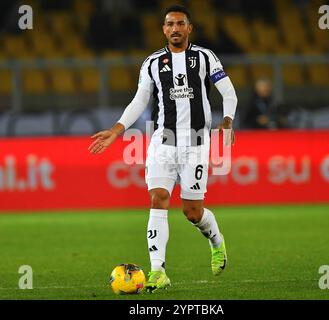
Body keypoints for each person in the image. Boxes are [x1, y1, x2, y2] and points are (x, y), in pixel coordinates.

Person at [88, 5, 238, 293]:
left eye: (181, 23)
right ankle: (158, 271)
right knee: (158, 198)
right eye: (170, 24)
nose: (175, 28)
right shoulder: (153, 63)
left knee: (193, 212)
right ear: (163, 29)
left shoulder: (205, 57)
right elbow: (139, 99)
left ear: (189, 28)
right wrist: (117, 130)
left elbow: (228, 92)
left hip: (195, 143)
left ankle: (216, 242)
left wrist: (228, 121)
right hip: (162, 143)